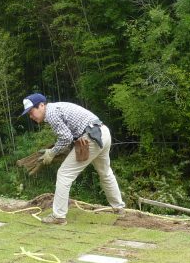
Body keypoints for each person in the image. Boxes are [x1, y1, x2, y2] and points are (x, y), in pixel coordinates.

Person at [20, 93, 126, 224]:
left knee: (64, 174)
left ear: (41, 105)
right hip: (102, 132)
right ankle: (119, 208)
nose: (31, 116)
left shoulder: (51, 113)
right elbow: (70, 135)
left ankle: (58, 217)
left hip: (91, 137)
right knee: (105, 172)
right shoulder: (56, 108)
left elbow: (66, 138)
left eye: (31, 112)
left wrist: (52, 152)